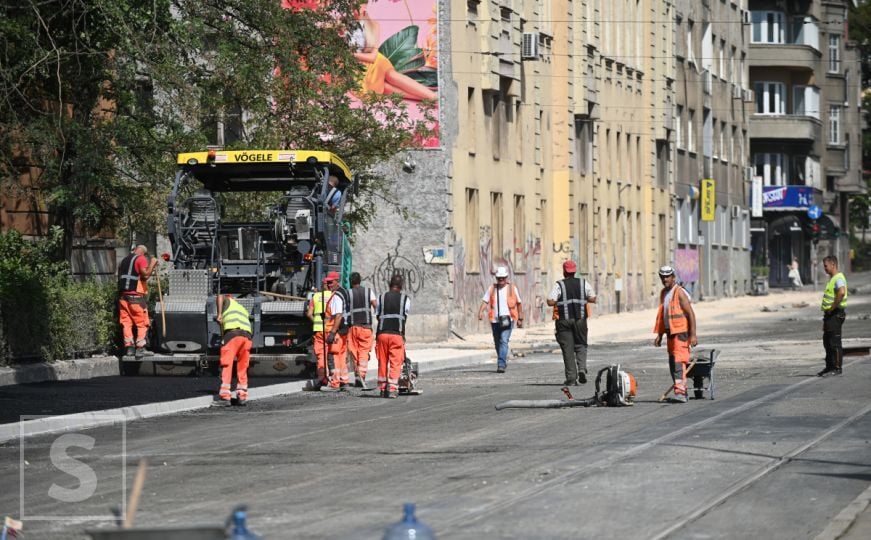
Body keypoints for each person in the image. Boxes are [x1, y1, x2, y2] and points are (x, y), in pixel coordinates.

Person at [351, 3, 437, 101]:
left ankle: (434, 97)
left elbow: (373, 57)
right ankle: (432, 99)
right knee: (385, 88)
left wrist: (350, 54)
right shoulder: (343, 26)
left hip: (375, 62)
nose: (352, 8)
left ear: (364, 7)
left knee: (392, 75)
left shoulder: (374, 25)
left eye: (356, 4)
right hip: (357, 67)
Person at [547, 261, 596, 385]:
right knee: (581, 345)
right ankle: (582, 369)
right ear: (575, 271)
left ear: (564, 272)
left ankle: (571, 378)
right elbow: (593, 298)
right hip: (580, 320)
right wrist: (583, 299)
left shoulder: (559, 285)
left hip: (563, 321)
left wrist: (560, 300)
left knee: (567, 349)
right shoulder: (583, 283)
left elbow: (550, 301)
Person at [653, 265, 698, 403]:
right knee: (673, 363)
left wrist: (693, 334)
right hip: (670, 333)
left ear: (673, 277)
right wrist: (660, 335)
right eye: (663, 277)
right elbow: (663, 316)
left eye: (668, 276)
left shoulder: (679, 292)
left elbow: (690, 313)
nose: (665, 279)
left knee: (679, 362)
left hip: (681, 332)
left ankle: (681, 393)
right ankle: (680, 389)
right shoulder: (663, 293)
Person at [307, 271, 350, 390]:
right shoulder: (343, 293)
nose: (329, 284)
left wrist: (330, 331)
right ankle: (344, 380)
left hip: (327, 330)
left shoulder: (323, 296)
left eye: (331, 282)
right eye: (328, 282)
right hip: (341, 330)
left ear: (336, 281)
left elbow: (337, 315)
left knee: (326, 356)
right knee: (341, 355)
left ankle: (329, 381)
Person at [478, 266, 523, 373]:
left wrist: (520, 317)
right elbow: (485, 301)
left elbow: (519, 303)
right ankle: (502, 359)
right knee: (497, 342)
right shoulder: (491, 288)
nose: (501, 280)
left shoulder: (512, 288)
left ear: (506, 277)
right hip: (495, 320)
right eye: (499, 278)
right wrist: (480, 312)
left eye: (503, 278)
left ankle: (501, 364)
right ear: (496, 278)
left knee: (503, 340)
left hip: (508, 319)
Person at [117, 244, 158, 358]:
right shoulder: (141, 259)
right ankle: (140, 348)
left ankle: (129, 348)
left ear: (135, 250)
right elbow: (145, 276)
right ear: (143, 253)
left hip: (123, 296)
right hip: (135, 297)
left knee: (126, 322)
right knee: (142, 322)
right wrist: (152, 264)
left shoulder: (124, 260)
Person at [375, 274, 411, 398]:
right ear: (401, 286)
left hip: (382, 334)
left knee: (382, 361)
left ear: (389, 284)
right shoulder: (405, 299)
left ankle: (383, 387)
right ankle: (393, 388)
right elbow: (404, 317)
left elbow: (378, 315)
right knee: (396, 361)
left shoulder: (381, 297)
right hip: (397, 334)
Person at [215, 294, 253, 406]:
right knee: (242, 367)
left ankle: (225, 397)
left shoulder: (228, 301)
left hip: (232, 335)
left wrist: (219, 314)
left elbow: (220, 296)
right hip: (246, 337)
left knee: (227, 365)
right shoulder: (242, 308)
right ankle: (242, 396)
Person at [346, 272, 377, 386]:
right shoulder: (368, 292)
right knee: (363, 352)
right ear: (360, 281)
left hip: (353, 327)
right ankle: (362, 375)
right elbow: (375, 305)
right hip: (366, 327)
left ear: (350, 281)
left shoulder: (348, 293)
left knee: (354, 352)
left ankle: (357, 375)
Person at [819, 255, 848, 377]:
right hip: (830, 315)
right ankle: (829, 367)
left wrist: (832, 308)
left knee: (834, 342)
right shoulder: (832, 279)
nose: (824, 269)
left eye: (826, 266)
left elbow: (841, 292)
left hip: (835, 314)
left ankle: (837, 368)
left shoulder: (838, 278)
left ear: (833, 265)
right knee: (827, 341)